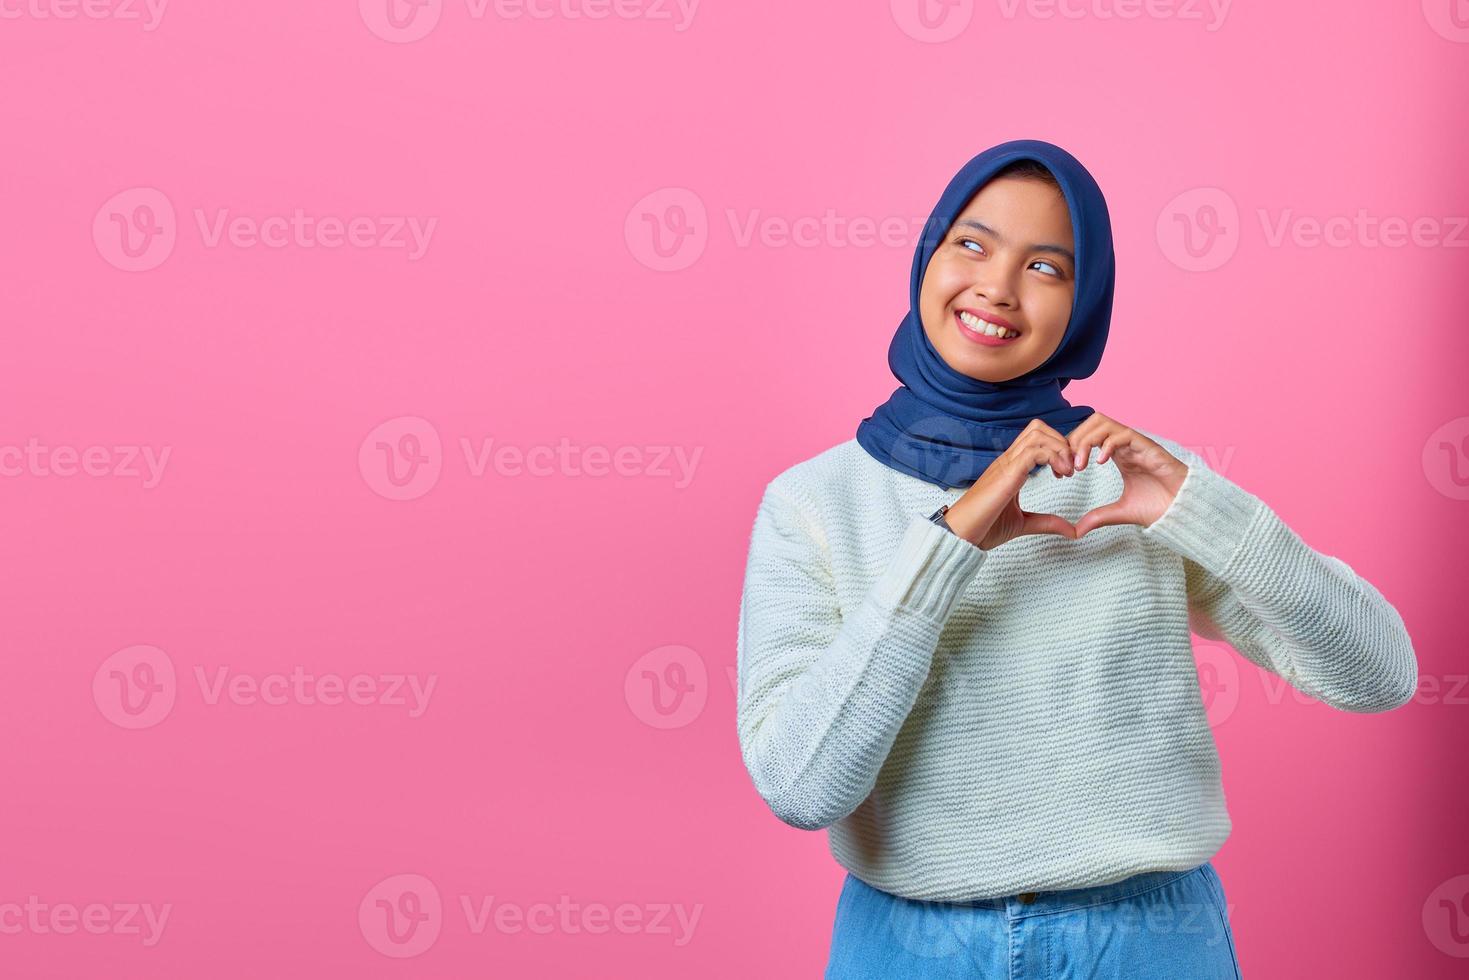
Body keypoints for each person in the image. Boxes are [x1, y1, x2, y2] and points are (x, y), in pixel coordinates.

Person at [734, 139, 1418, 978]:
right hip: (910, 943)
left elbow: (1378, 674)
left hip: (1148, 940)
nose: (996, 286)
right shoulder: (812, 501)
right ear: (928, 256)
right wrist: (944, 547)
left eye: (1047, 267)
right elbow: (801, 788)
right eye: (972, 245)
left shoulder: (1133, 480)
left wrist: (1205, 513)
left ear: (1084, 303)